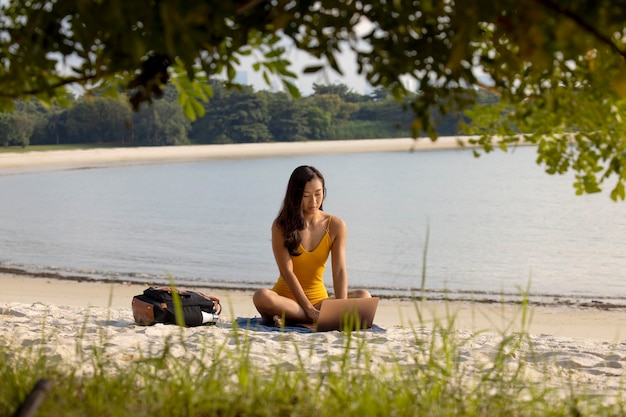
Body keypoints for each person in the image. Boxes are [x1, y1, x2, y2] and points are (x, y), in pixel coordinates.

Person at [253, 165, 371, 327]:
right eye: (306, 195)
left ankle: (291, 319)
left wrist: (340, 307)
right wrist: (308, 309)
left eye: (318, 194)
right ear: (295, 195)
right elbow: (287, 272)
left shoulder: (336, 225)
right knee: (261, 296)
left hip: (318, 301)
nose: (313, 201)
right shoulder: (281, 225)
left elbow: (339, 271)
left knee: (364, 296)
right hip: (285, 300)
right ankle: (306, 317)